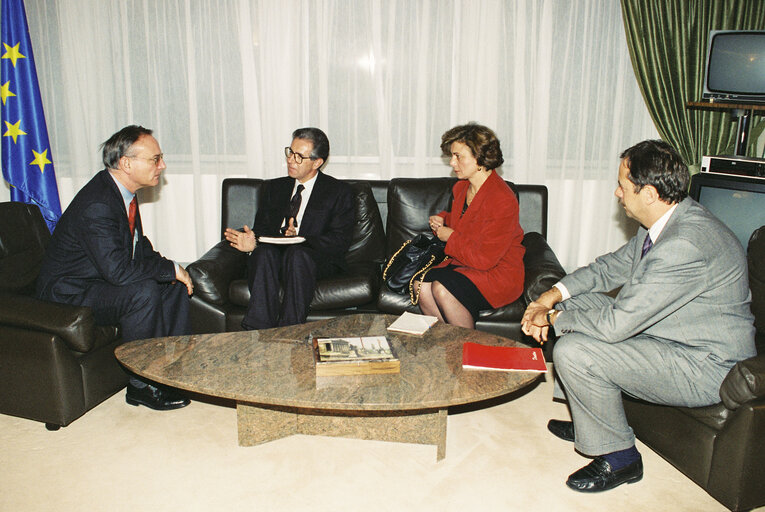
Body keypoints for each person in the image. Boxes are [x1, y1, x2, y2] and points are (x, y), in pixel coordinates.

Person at [521, 139, 756, 493]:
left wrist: (550, 318)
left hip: (703, 365)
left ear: (648, 193)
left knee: (575, 351)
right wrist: (550, 298)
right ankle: (593, 420)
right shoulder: (667, 221)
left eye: (623, 185)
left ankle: (621, 458)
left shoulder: (685, 245)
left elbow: (617, 325)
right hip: (671, 335)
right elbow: (608, 269)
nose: (617, 194)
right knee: (574, 306)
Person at [36, 125, 194, 411]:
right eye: (155, 159)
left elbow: (139, 247)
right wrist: (167, 269)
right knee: (144, 291)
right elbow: (119, 272)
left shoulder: (123, 194)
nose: (163, 165)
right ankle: (141, 386)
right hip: (69, 292)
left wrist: (173, 269)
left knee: (174, 286)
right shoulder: (98, 203)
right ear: (126, 163)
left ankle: (171, 371)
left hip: (97, 280)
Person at [224, 127, 354, 329]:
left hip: (314, 260)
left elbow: (339, 240)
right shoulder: (274, 188)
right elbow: (261, 230)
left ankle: (290, 330)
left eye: (299, 156)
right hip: (275, 257)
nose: (291, 160)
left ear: (317, 162)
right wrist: (251, 242)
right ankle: (258, 330)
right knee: (263, 253)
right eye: (290, 152)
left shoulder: (338, 192)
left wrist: (302, 238)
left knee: (297, 255)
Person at [418, 123, 525, 328]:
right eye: (452, 156)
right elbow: (467, 220)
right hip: (468, 263)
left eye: (458, 156)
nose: (452, 162)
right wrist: (443, 218)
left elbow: (485, 259)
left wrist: (450, 237)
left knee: (442, 289)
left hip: (497, 272)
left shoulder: (502, 198)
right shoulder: (461, 188)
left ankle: (468, 349)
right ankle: (444, 346)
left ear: (480, 158)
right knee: (420, 286)